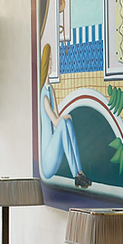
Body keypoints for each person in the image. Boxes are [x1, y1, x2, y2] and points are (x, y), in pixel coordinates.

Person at [39, 44, 92, 188]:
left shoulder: (51, 91)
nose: (51, 64)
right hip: (47, 161)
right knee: (63, 123)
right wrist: (66, 116)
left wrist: (65, 118)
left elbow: (57, 115)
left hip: (54, 154)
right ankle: (76, 174)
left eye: (51, 60)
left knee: (67, 123)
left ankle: (79, 173)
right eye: (48, 61)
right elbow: (56, 122)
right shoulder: (43, 97)